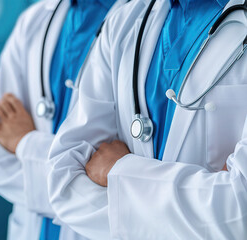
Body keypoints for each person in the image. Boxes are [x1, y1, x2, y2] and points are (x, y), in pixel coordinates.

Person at [47, 0, 247, 238]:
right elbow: (64, 181)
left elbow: (239, 211)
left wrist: (119, 172)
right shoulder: (124, 22)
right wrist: (202, 206)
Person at [0, 0, 128, 239]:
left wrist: (24, 144)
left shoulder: (137, 22)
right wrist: (81, 191)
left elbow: (130, 190)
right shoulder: (36, 19)